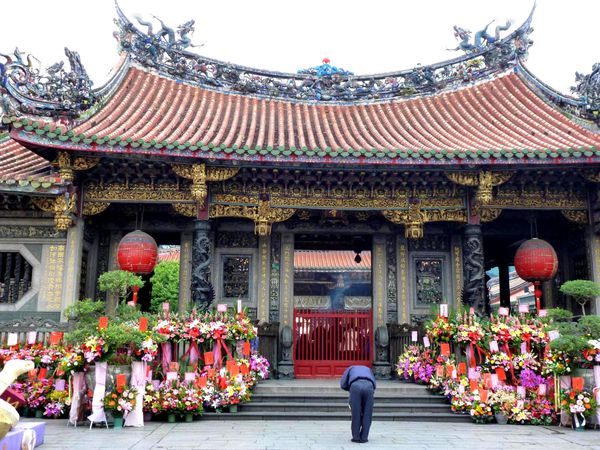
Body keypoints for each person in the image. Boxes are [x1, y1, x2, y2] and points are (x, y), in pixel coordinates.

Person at [340, 365, 376, 443]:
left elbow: (343, 384)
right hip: (369, 386)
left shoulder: (350, 369)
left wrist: (350, 390)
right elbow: (374, 383)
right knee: (367, 413)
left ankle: (356, 437)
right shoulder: (368, 369)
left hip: (355, 385)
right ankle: (364, 437)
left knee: (356, 412)